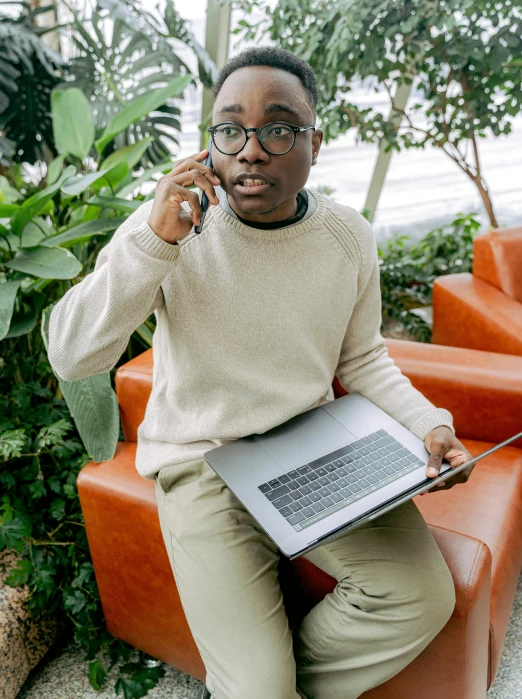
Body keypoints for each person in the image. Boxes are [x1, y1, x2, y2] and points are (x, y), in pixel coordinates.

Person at [48, 46, 474, 699]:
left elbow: (361, 357)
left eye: (278, 128)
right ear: (210, 141)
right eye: (230, 128)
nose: (251, 149)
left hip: (314, 450)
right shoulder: (173, 223)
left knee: (418, 596)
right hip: (202, 463)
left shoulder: (348, 236)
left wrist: (430, 426)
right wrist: (155, 243)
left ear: (315, 142)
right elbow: (72, 354)